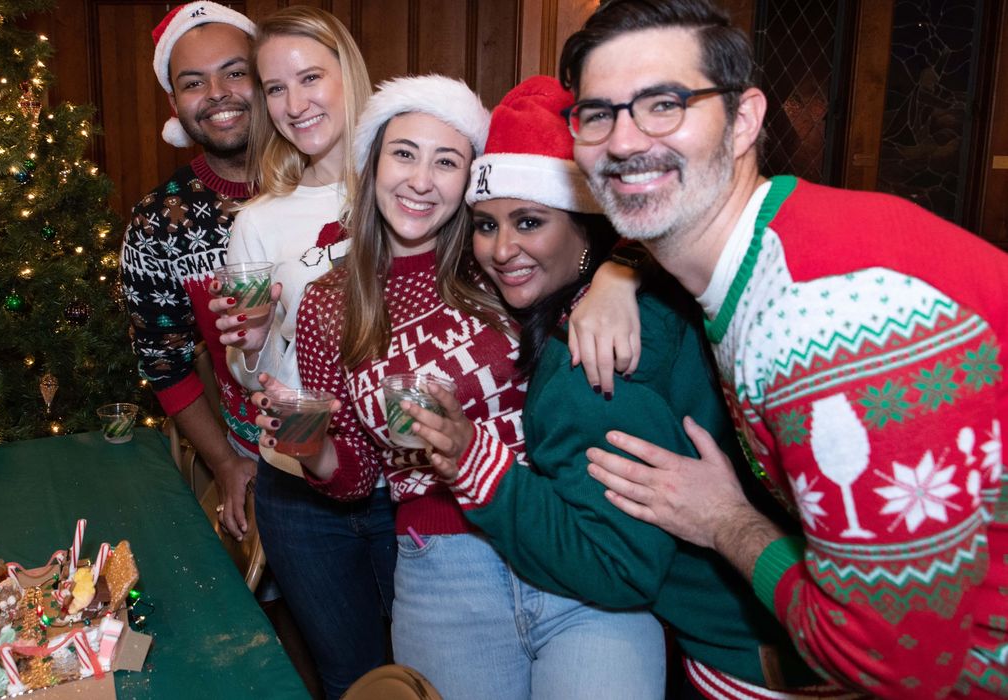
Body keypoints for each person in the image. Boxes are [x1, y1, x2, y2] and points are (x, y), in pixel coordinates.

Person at [559, 0, 1008, 696]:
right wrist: (618, 268)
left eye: (663, 104)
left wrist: (723, 520)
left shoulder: (826, 324)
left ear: (743, 120)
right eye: (597, 114)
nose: (621, 142)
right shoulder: (783, 240)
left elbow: (889, 664)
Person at [403, 74, 855, 699]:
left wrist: (478, 467)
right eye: (485, 225)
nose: (501, 248)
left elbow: (617, 567)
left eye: (529, 221)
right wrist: (624, 268)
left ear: (588, 230)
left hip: (759, 661)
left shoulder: (588, 360)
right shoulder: (660, 287)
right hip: (802, 627)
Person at [257, 74, 664, 700]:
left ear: (471, 179)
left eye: (446, 161)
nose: (421, 180)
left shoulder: (499, 258)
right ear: (372, 165)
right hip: (441, 570)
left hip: (570, 542)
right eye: (403, 154)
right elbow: (359, 476)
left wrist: (618, 273)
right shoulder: (327, 306)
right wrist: (310, 447)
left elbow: (635, 225)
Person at [209, 8, 393, 698]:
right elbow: (252, 376)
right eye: (275, 88)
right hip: (300, 485)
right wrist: (251, 350)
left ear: (348, 74)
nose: (294, 104)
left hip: (409, 481)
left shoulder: (408, 185)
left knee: (435, 671)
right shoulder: (258, 220)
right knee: (351, 677)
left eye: (309, 77)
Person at [119, 2, 259, 539]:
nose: (218, 93)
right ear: (174, 103)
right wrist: (226, 463)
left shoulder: (335, 187)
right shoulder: (158, 223)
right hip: (263, 461)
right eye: (194, 82)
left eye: (235, 72)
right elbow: (164, 362)